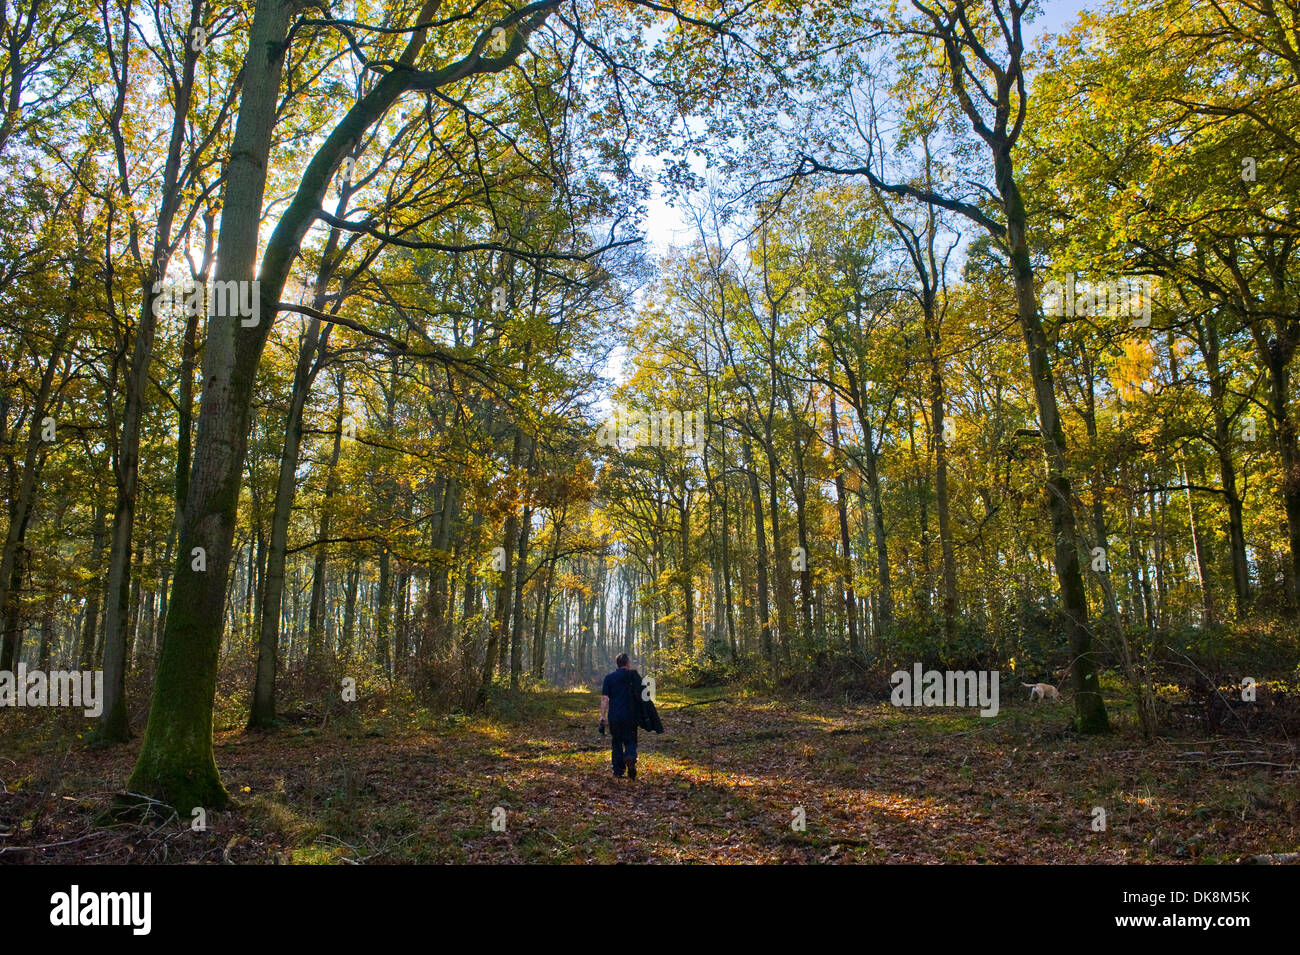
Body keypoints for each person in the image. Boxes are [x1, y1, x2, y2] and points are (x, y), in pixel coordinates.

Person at [599, 653, 640, 779]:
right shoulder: (633, 676)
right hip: (631, 716)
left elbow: (605, 698)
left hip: (614, 716)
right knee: (631, 740)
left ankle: (618, 770)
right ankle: (630, 757)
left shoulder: (609, 678)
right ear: (627, 663)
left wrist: (602, 716)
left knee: (616, 742)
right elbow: (642, 696)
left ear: (617, 664)